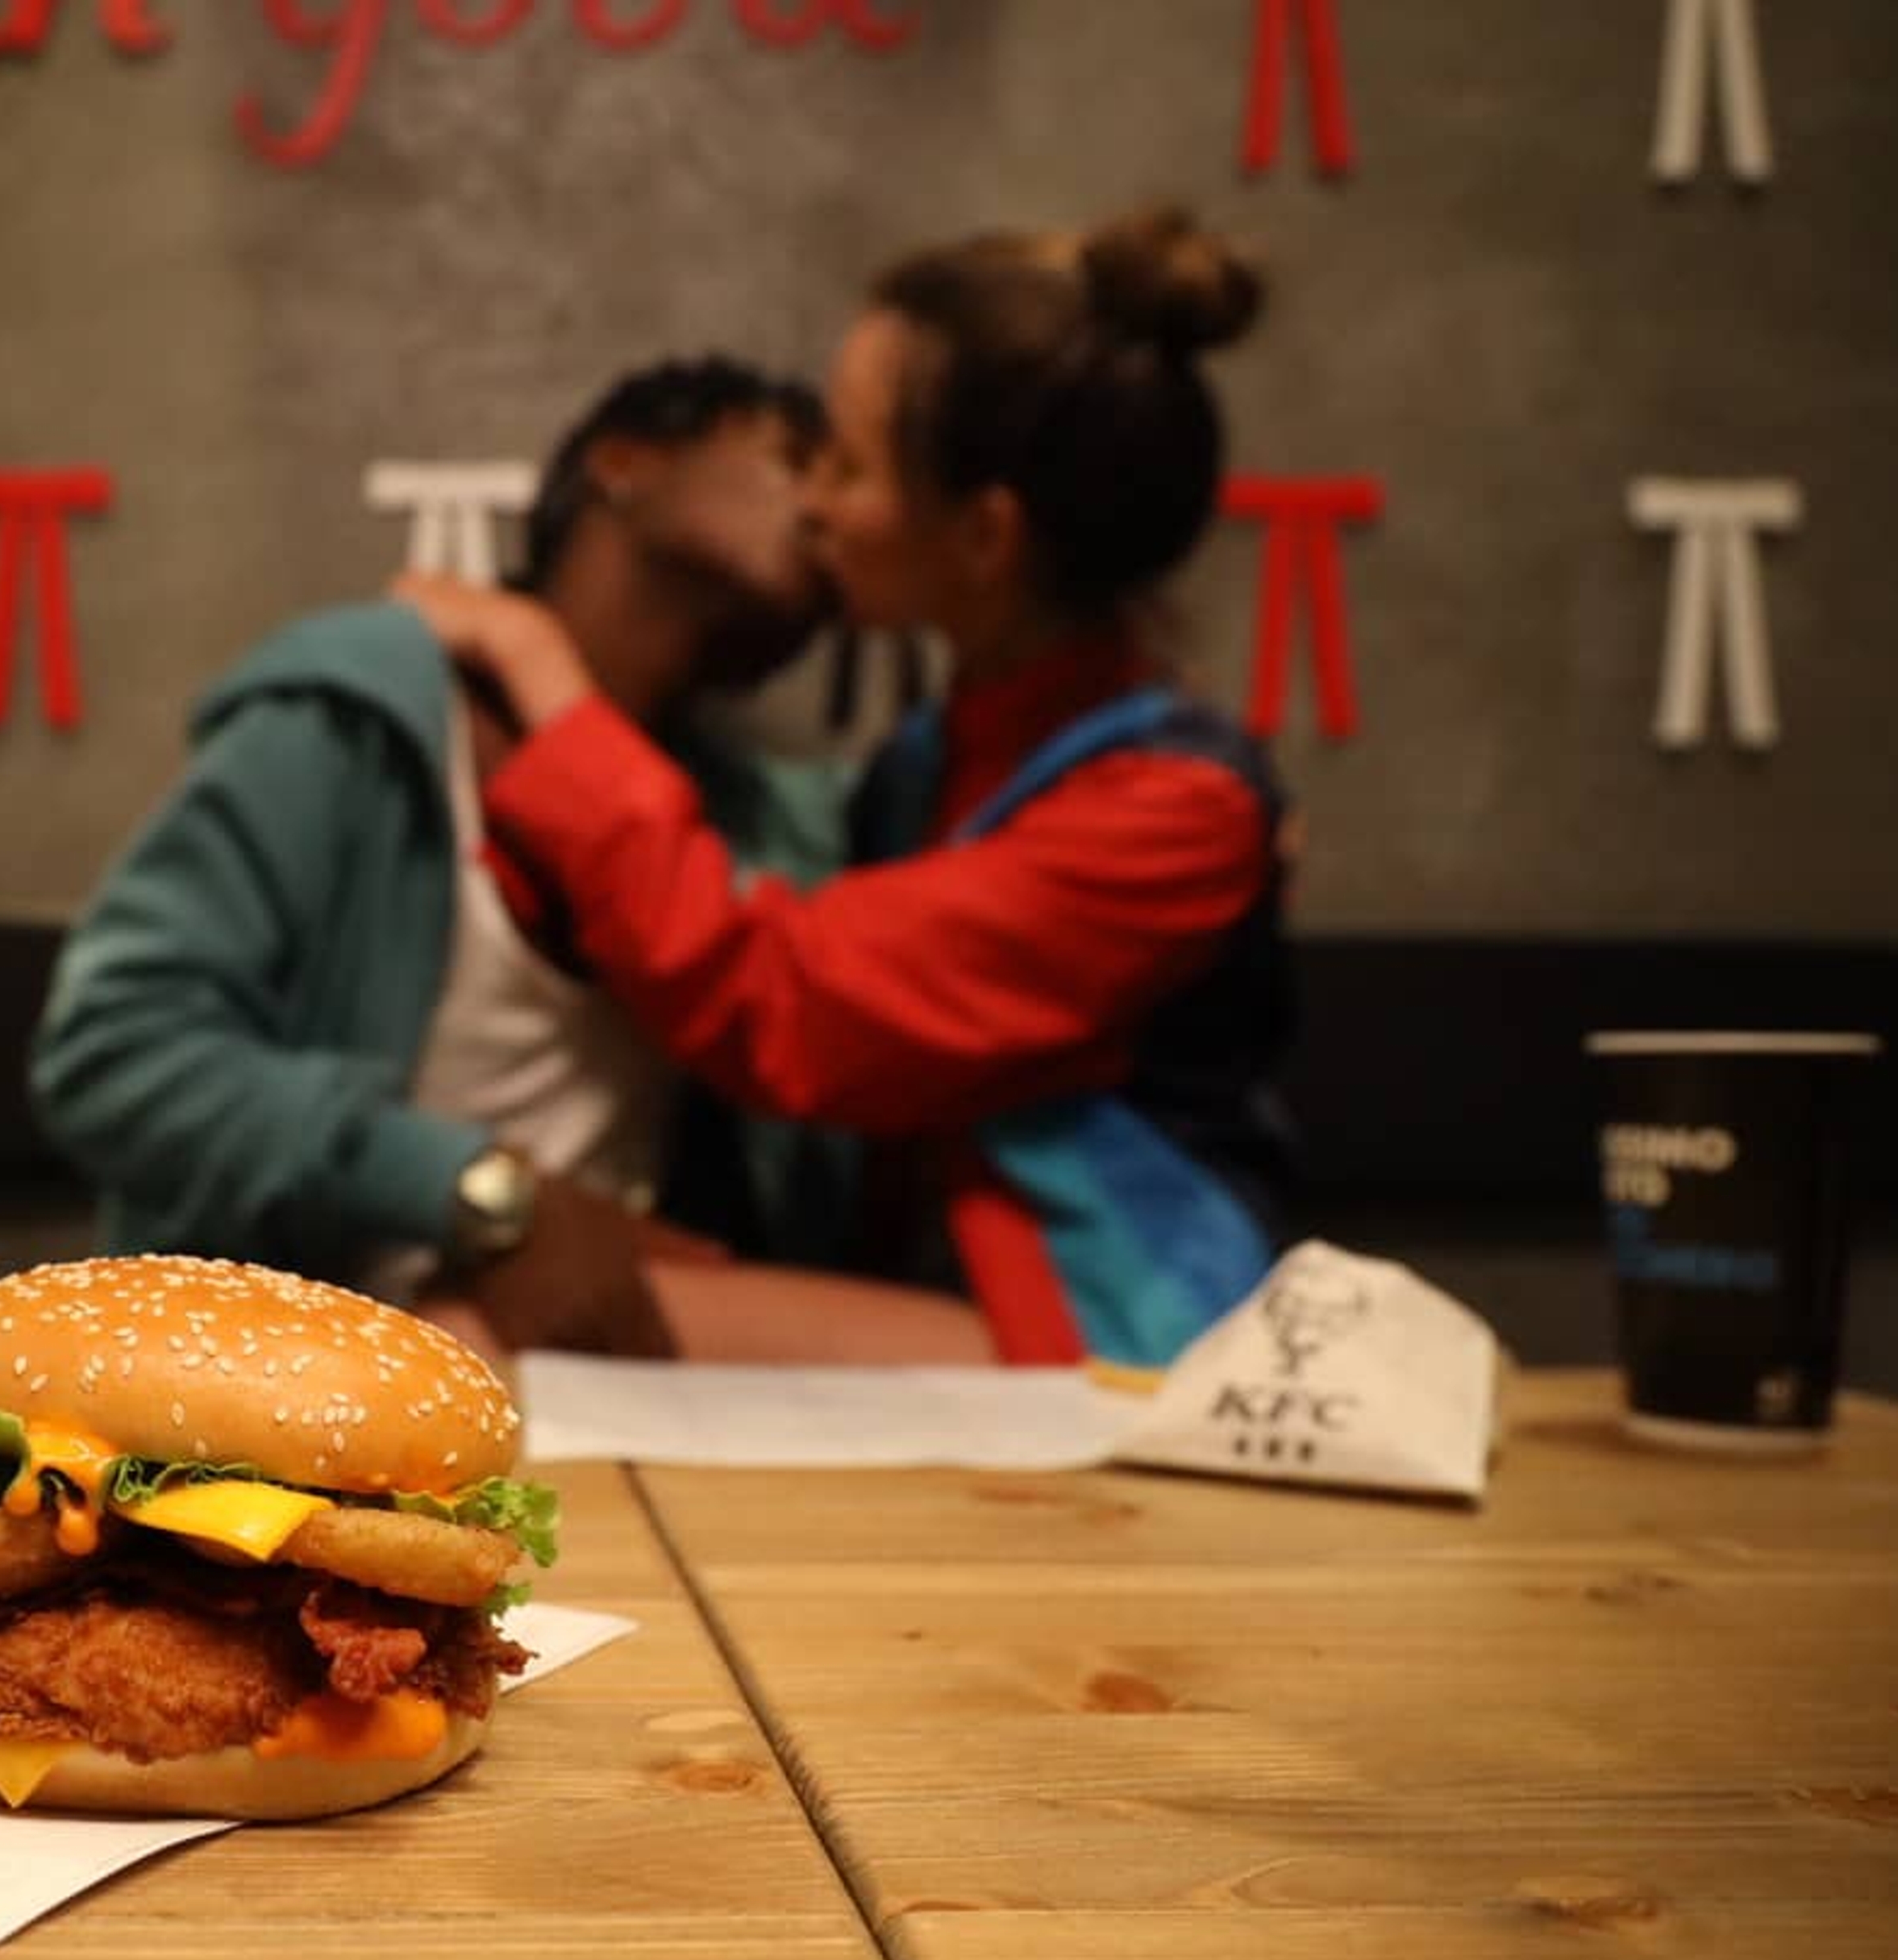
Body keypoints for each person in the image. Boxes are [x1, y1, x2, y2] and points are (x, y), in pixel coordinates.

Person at [392, 205, 1297, 1368]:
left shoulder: (1171, 809)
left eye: (848, 466)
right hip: (947, 1290)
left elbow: (788, 1000)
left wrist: (541, 666)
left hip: (1116, 1331)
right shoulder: (940, 751)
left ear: (985, 536)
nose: (811, 503)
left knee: (478, 1338)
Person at [34, 357, 995, 1361]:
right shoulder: (364, 716)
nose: (825, 510)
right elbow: (113, 1051)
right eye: (794, 457)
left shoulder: (758, 819)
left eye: (852, 480)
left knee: (978, 1365)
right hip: (298, 1342)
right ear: (626, 463)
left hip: (596, 1349)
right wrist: (478, 1193)